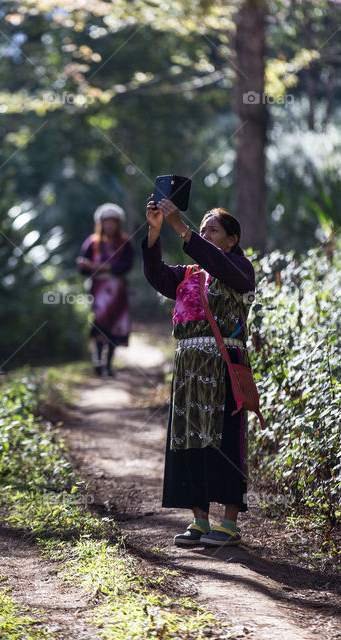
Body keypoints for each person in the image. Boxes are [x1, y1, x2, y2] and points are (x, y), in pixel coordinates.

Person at [140, 195, 255, 547]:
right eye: (202, 229)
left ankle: (230, 524)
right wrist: (156, 231)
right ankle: (199, 520)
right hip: (189, 369)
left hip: (223, 367)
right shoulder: (187, 275)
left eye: (213, 230)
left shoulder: (240, 272)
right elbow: (156, 274)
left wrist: (183, 230)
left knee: (225, 440)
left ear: (232, 240)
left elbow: (216, 263)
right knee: (188, 441)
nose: (205, 234)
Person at [76, 203, 134, 377]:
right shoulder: (92, 243)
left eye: (112, 222)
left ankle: (108, 365)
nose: (109, 225)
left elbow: (127, 265)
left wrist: (103, 267)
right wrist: (87, 266)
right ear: (100, 223)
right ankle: (98, 361)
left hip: (117, 290)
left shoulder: (125, 243)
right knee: (99, 323)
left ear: (118, 223)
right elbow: (83, 269)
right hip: (98, 289)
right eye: (106, 222)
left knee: (114, 325)